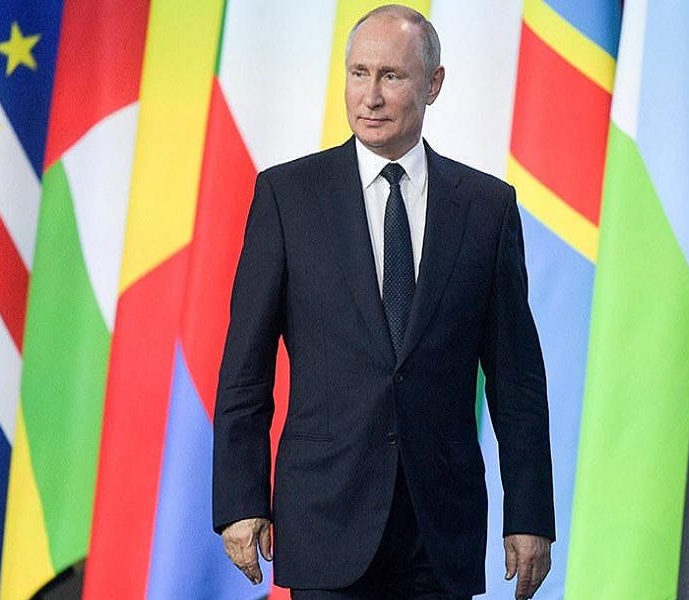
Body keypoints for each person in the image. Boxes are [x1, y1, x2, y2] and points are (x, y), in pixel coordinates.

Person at [212, 5, 554, 599]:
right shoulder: (288, 197)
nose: (369, 96)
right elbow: (246, 368)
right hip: (324, 520)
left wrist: (529, 513)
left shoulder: (486, 208)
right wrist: (241, 501)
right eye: (358, 74)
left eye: (391, 76)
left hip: (438, 532)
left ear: (433, 84)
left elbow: (517, 381)